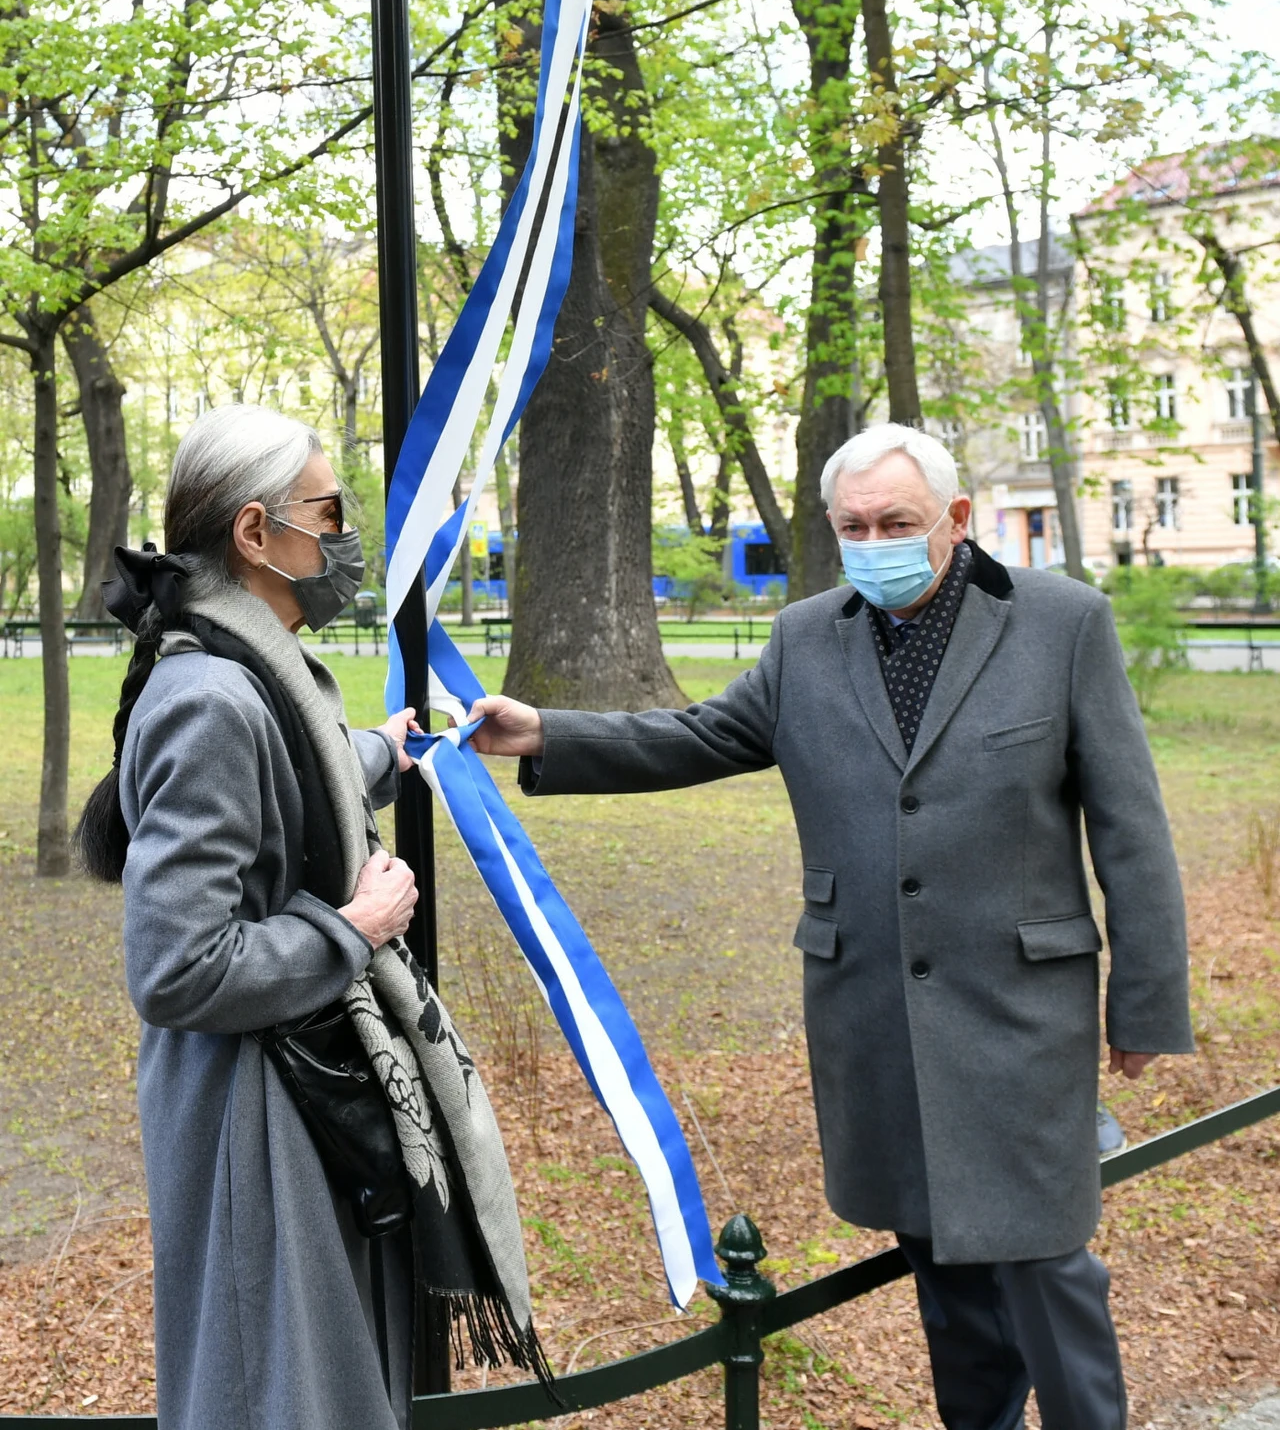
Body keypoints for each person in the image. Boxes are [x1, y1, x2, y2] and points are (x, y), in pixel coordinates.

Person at [470, 423, 1193, 1430]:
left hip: (1019, 1014)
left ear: (953, 518)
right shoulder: (805, 636)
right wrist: (548, 731)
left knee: (1042, 1264)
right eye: (851, 524)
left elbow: (1130, 825)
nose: (872, 539)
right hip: (874, 1011)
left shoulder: (1058, 623)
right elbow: (705, 732)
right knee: (940, 1267)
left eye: (894, 521)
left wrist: (1146, 999)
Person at [76, 404, 540, 1430]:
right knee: (276, 1389)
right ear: (253, 533)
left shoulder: (255, 671)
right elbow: (179, 967)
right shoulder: (211, 696)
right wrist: (356, 926)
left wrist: (380, 747)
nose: (341, 539)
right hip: (257, 1112)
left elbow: (291, 773)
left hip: (305, 1081)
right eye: (325, 513)